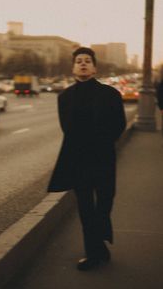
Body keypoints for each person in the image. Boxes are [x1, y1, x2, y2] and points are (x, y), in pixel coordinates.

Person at [47, 47, 126, 271]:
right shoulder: (65, 97)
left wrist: (101, 142)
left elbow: (118, 125)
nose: (83, 64)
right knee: (85, 209)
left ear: (94, 67)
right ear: (73, 68)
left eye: (87, 61)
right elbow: (67, 129)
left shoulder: (110, 94)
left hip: (103, 158)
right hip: (78, 160)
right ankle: (93, 253)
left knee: (104, 204)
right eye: (79, 61)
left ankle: (100, 241)